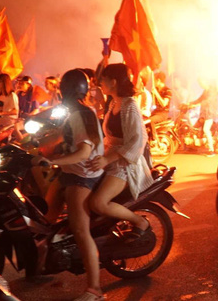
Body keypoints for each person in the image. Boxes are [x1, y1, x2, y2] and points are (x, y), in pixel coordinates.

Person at [31, 69, 105, 301]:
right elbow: (61, 135)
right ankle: (39, 267)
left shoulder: (81, 114)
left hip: (83, 175)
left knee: (81, 231)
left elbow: (83, 152)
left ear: (65, 90)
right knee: (43, 220)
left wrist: (52, 160)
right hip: (68, 171)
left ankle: (95, 290)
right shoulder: (72, 111)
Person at [88, 64, 154, 244]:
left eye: (103, 79)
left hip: (126, 164)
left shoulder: (130, 105)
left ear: (113, 82)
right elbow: (109, 136)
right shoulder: (113, 104)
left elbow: (136, 142)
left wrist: (107, 159)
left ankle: (140, 222)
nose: (100, 83)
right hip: (110, 157)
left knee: (98, 203)